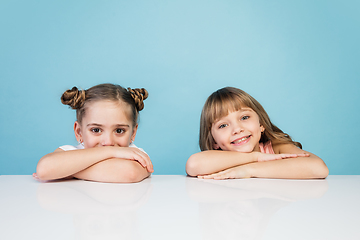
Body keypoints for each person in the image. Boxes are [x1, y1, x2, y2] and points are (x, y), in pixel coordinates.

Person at [186, 87, 328, 179]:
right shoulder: (215, 159)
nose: (237, 129)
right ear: (213, 142)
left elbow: (318, 168)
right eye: (223, 125)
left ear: (261, 124)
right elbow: (193, 165)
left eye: (244, 117)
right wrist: (256, 157)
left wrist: (249, 170)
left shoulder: (275, 146)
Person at [35, 83, 153, 183]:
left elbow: (129, 173)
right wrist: (113, 151)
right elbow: (44, 169)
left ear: (133, 133)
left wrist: (66, 171)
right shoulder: (71, 151)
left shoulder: (134, 154)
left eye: (119, 131)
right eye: (96, 130)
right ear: (79, 132)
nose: (108, 142)